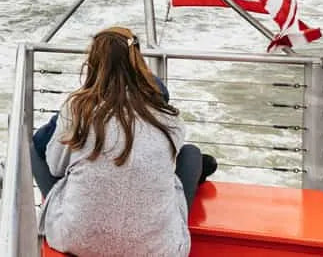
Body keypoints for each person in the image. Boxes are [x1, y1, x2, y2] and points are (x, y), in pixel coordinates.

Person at [31, 26, 215, 257]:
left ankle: (81, 209)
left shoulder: (77, 109)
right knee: (191, 154)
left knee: (33, 149)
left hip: (78, 240)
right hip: (158, 250)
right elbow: (169, 162)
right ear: (139, 62)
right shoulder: (168, 117)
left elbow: (55, 166)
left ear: (93, 64)